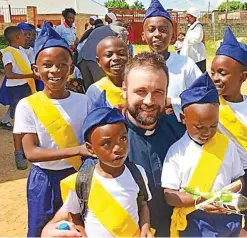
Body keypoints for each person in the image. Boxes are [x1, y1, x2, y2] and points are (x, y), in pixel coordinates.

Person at [42, 52, 186, 237]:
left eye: (158, 92)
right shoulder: (108, 139)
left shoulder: (180, 131)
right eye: (140, 91)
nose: (149, 101)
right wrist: (50, 229)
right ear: (124, 90)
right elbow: (81, 198)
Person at [13, 22, 92, 237]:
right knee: (42, 231)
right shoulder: (27, 105)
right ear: (36, 70)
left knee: (78, 229)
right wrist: (78, 150)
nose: (55, 70)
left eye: (62, 64)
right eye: (47, 65)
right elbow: (31, 153)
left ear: (71, 68)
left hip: (77, 176)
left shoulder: (84, 102)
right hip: (44, 181)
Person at [162, 72, 245, 237]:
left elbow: (239, 179)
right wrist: (203, 199)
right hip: (194, 221)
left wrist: (227, 196)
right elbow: (169, 195)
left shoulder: (226, 145)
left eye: (213, 126)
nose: (207, 132)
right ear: (183, 118)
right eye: (200, 127)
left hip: (226, 215)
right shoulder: (176, 152)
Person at [60, 92, 154, 237]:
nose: (118, 148)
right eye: (106, 143)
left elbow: (143, 205)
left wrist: (146, 227)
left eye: (123, 138)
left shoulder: (137, 173)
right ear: (90, 148)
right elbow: (76, 217)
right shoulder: (82, 182)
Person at [211, 27, 247, 237]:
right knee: (227, 224)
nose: (216, 78)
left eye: (222, 73)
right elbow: (175, 103)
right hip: (223, 177)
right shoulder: (207, 103)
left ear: (243, 77)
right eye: (213, 72)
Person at [143, 0, 202, 119]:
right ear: (143, 36)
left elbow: (202, 95)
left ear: (173, 36)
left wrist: (172, 102)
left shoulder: (186, 64)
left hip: (178, 129)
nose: (157, 34)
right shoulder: (137, 66)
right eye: (151, 30)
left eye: (163, 30)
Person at [1, 26, 36, 170]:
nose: (26, 38)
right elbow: (9, 74)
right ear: (16, 38)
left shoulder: (21, 51)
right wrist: (31, 75)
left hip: (25, 87)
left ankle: (28, 148)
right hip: (16, 90)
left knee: (29, 118)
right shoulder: (8, 53)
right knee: (18, 122)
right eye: (23, 35)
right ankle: (18, 152)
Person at [78, 24, 128, 90]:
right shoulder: (120, 30)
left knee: (90, 89)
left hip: (82, 58)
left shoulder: (99, 30)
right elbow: (122, 45)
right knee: (103, 89)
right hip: (94, 60)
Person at [85, 36, 128, 107]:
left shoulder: (138, 84)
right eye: (108, 55)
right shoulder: (95, 91)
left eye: (121, 54)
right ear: (98, 61)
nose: (116, 58)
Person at [181, 7, 207, 73]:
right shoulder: (192, 26)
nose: (187, 19)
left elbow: (197, 38)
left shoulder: (198, 26)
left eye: (188, 17)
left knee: (199, 73)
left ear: (194, 17)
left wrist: (187, 40)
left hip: (198, 56)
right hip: (192, 55)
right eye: (186, 17)